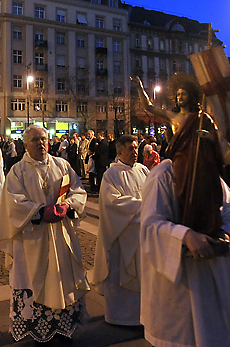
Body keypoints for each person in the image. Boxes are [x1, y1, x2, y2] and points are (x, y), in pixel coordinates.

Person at [140, 152, 230, 346]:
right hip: (181, 283)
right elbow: (151, 226)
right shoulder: (163, 175)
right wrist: (185, 236)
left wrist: (227, 234)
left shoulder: (208, 174)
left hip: (213, 274)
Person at [0, 125, 89, 342]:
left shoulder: (62, 165)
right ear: (26, 144)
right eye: (35, 140)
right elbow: (13, 203)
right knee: (32, 280)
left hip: (60, 236)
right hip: (31, 238)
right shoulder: (18, 171)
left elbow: (78, 191)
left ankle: (64, 328)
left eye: (44, 139)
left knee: (61, 278)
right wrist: (39, 212)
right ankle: (37, 331)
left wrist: (68, 206)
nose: (41, 143)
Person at [92, 135, 149, 326]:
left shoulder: (143, 170)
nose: (135, 152)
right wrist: (144, 206)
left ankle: (142, 315)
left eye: (136, 148)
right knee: (120, 274)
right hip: (121, 234)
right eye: (131, 149)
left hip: (141, 235)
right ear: (119, 151)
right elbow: (112, 203)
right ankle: (119, 316)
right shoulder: (111, 174)